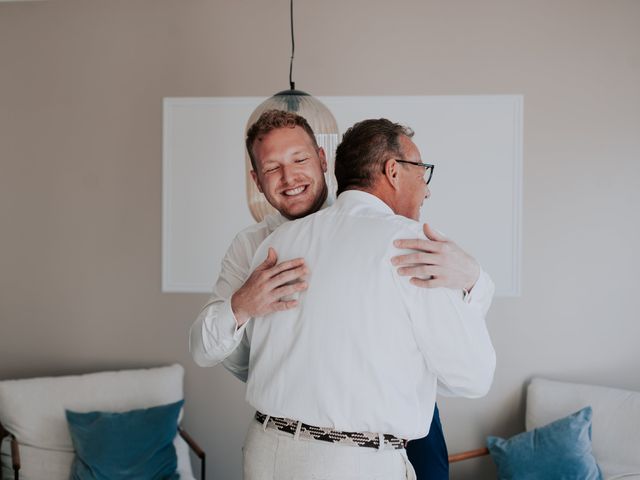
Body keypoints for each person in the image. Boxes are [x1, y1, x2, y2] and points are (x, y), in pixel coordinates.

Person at [190, 110, 495, 479]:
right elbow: (470, 376)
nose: (290, 177)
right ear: (256, 180)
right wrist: (246, 314)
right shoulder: (256, 246)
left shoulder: (276, 245)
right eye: (273, 168)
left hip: (367, 432)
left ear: (322, 159)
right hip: (346, 450)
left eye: (299, 159)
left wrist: (474, 278)